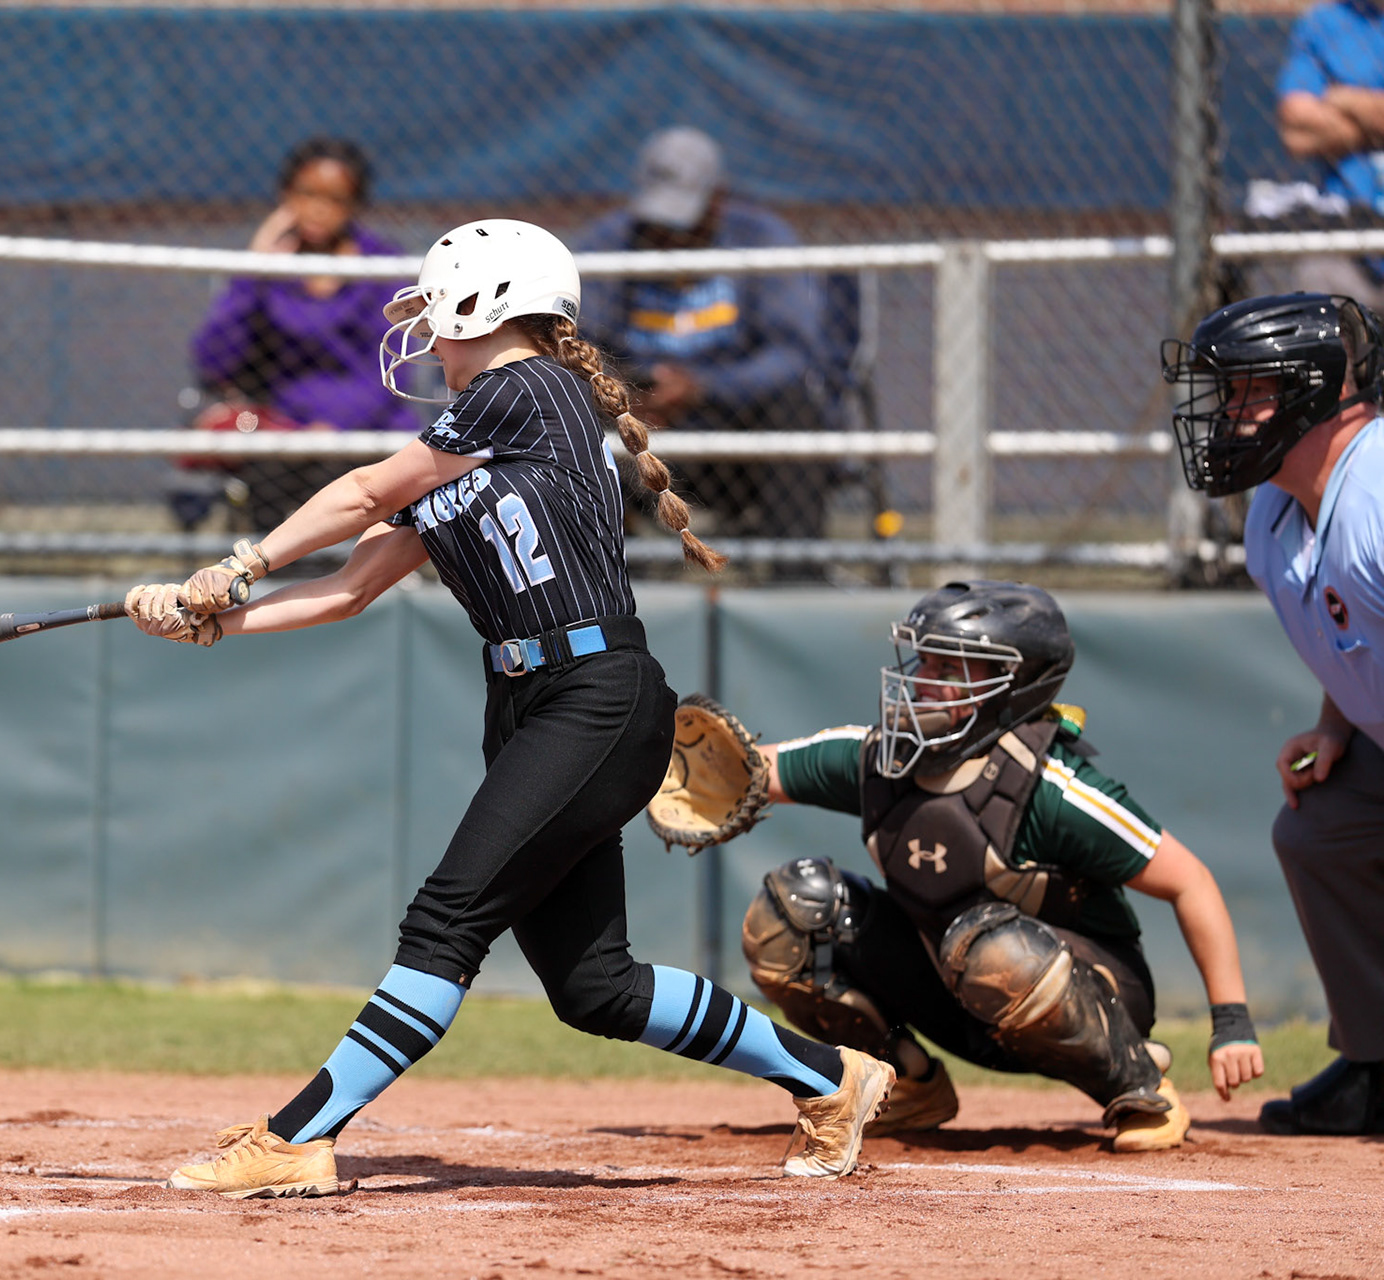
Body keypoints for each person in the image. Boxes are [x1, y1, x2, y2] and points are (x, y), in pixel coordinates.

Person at [123, 218, 895, 1198]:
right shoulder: (469, 442)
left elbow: (363, 489)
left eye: (437, 316)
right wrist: (218, 623)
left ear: (483, 304)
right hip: (533, 705)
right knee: (594, 986)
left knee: (445, 919)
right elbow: (354, 588)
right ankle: (831, 1076)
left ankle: (299, 1133)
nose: (428, 339)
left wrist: (236, 564)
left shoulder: (525, 389)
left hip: (595, 694)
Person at [721, 581, 1264, 1152]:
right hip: (958, 994)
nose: (923, 679)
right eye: (924, 659)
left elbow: (1190, 882)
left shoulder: (1052, 787)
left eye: (951, 668)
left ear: (1016, 688)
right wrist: (651, 767)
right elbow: (756, 771)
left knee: (992, 946)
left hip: (1085, 993)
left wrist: (1231, 1023)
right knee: (791, 908)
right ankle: (903, 1083)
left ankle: (1138, 1084)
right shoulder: (884, 756)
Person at [1164, 291, 1384, 1136]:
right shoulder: (1274, 513)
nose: (1226, 414)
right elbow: (1359, 631)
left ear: (1317, 391)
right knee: (1319, 829)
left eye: (1247, 390)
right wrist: (1337, 725)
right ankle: (1375, 1064)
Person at [572, 126, 835, 550]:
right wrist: (625, 393)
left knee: (796, 405)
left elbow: (792, 354)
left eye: (682, 220)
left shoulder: (762, 238)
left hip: (730, 425)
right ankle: (600, 576)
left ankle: (796, 574)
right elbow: (574, 341)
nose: (670, 236)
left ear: (716, 200)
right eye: (658, 222)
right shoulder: (608, 242)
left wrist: (702, 388)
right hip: (634, 420)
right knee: (562, 395)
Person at [186, 137, 416, 531]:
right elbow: (213, 361)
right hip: (284, 432)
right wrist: (254, 270)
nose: (317, 208)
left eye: (335, 198)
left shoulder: (381, 267)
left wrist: (332, 427)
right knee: (270, 478)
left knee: (341, 476)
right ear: (285, 196)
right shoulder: (269, 273)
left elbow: (393, 370)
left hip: (365, 431)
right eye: (306, 193)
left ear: (355, 205)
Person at [1275, 1, 1384, 309]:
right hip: (1345, 234)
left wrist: (1343, 98)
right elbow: (1296, 130)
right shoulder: (1324, 22)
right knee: (1317, 285)